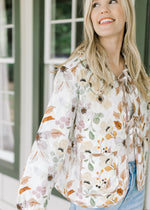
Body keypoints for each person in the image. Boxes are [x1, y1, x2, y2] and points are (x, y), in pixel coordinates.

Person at [17, 0, 150, 209]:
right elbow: (49, 144)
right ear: (89, 16)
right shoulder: (75, 72)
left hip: (135, 189)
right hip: (95, 197)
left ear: (127, 11)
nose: (103, 9)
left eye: (112, 1)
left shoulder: (135, 70)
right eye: (95, 4)